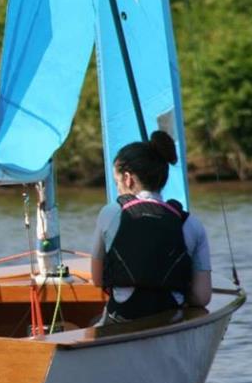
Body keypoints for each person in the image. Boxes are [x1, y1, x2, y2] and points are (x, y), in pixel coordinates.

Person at [90, 131, 212, 323]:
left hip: (122, 319)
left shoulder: (110, 213)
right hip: (171, 321)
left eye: (116, 183)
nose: (118, 188)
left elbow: (97, 279)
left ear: (128, 179)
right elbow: (202, 297)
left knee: (93, 323)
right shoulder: (190, 223)